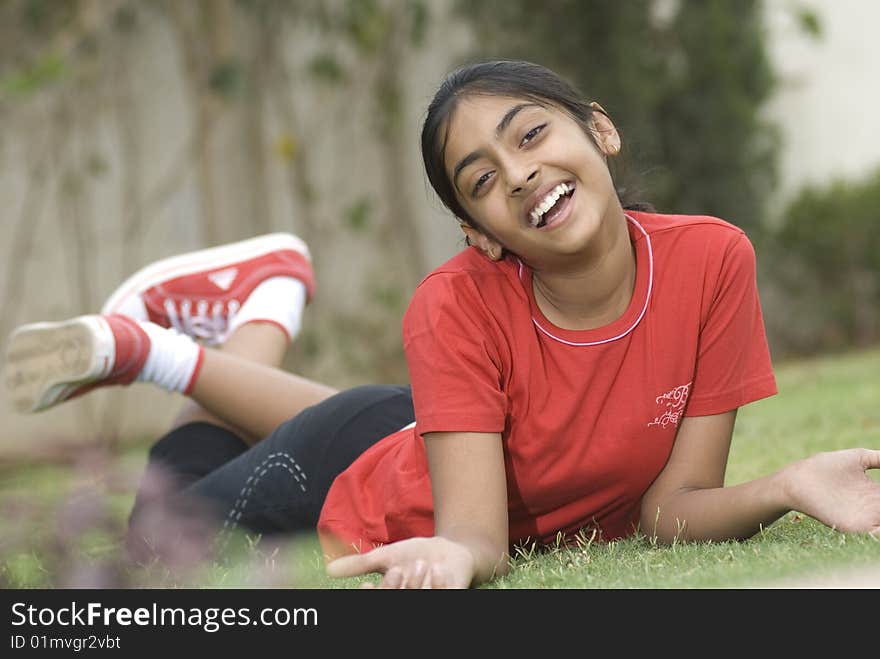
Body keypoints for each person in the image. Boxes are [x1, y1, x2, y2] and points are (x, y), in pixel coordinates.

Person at [5, 60, 879, 589]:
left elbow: (670, 511)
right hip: (348, 471)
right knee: (153, 542)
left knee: (366, 424)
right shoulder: (454, 301)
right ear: (477, 232)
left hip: (445, 428)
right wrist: (457, 556)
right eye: (484, 178)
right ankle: (158, 347)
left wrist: (792, 483)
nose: (523, 174)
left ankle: (252, 305)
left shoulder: (712, 260)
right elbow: (473, 531)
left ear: (599, 130)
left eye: (531, 134)